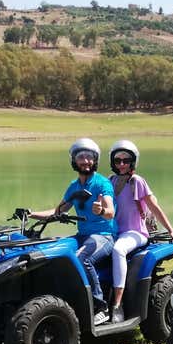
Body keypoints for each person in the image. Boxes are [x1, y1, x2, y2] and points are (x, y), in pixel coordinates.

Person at [30, 138, 116, 325]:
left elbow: (111, 212)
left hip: (103, 236)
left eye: (89, 157)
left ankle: (100, 306)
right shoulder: (74, 187)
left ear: (95, 160)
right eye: (81, 157)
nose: (85, 161)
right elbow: (58, 211)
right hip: (82, 235)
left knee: (82, 258)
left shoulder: (102, 184)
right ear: (74, 160)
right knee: (54, 253)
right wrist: (30, 214)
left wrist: (101, 210)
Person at [108, 140, 173, 323]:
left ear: (133, 162)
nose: (122, 164)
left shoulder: (137, 181)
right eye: (118, 160)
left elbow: (154, 207)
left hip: (135, 232)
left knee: (118, 250)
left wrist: (171, 230)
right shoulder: (110, 181)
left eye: (126, 160)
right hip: (114, 232)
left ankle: (118, 304)